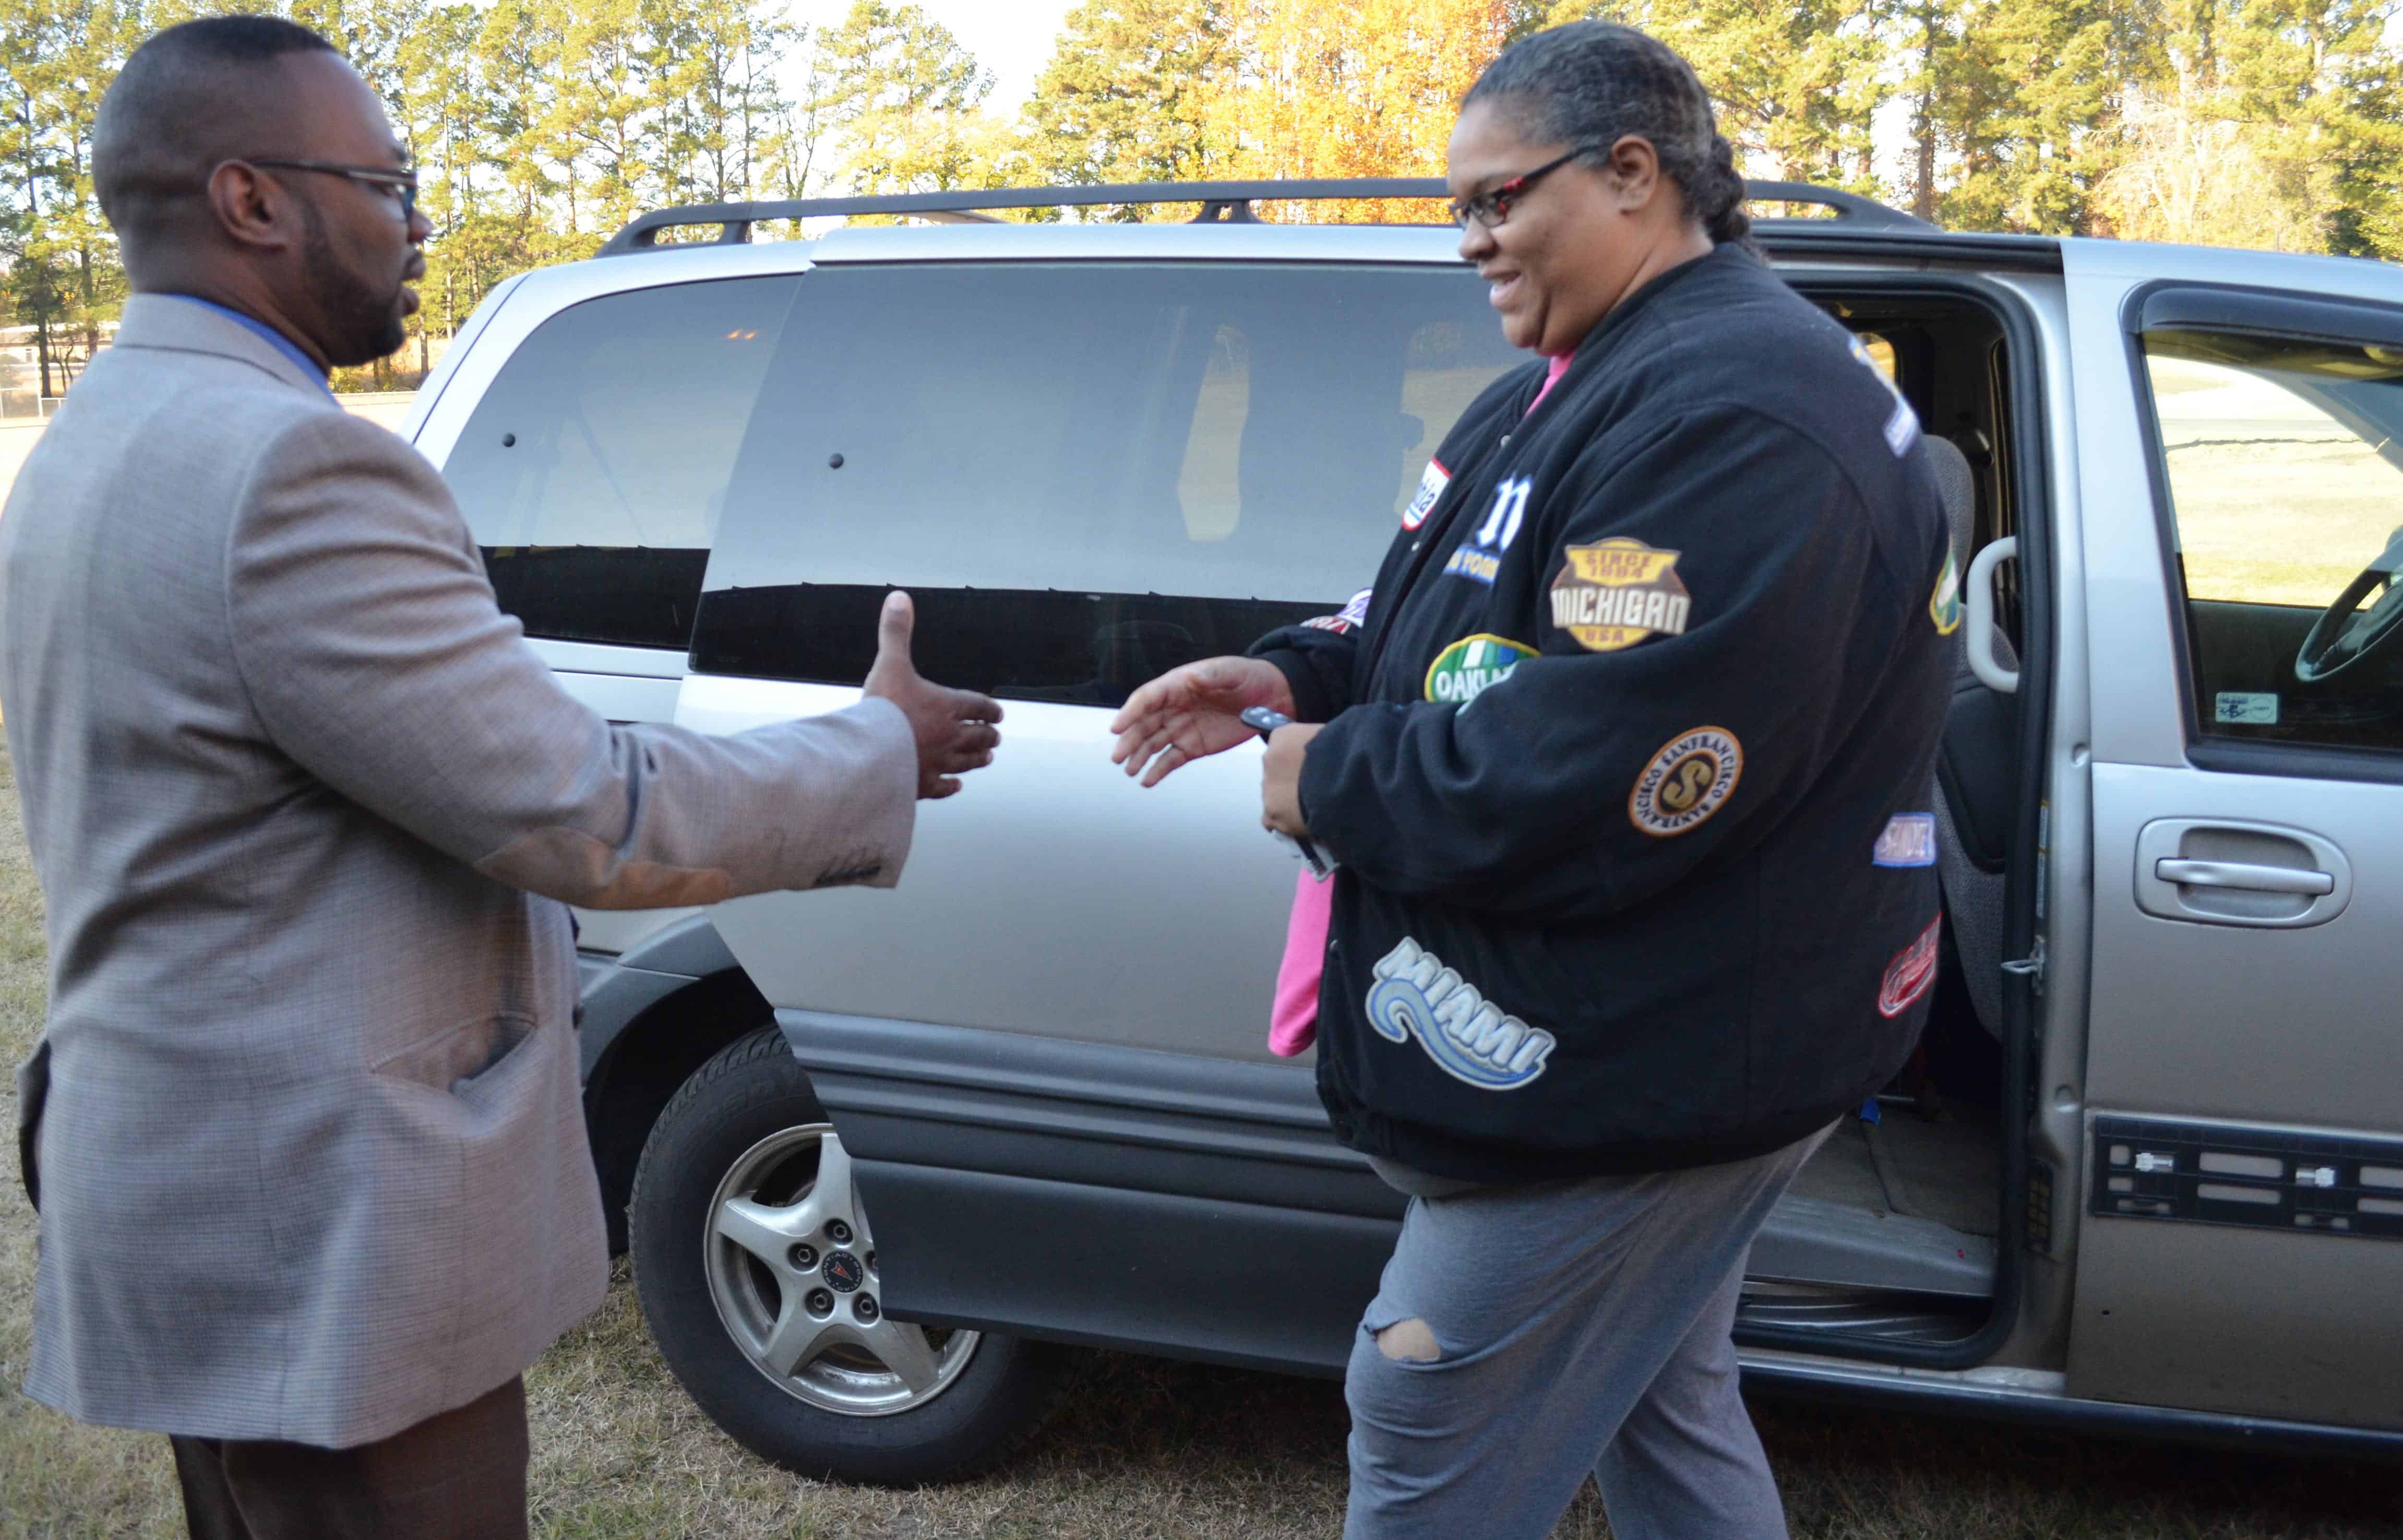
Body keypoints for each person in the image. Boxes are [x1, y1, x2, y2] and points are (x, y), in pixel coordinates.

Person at [1, 17, 1000, 1539]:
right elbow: (579, 812)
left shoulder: (103, 431)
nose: (417, 226)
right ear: (252, 200)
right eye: (390, 185)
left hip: (196, 1181)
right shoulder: (293, 471)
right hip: (322, 1239)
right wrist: (881, 745)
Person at [1111, 22, 1954, 1540]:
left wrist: (1327, 776)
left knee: (1424, 1405)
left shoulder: (1730, 411)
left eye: (1499, 201)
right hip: (1656, 1049)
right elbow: (1440, 614)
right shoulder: (1585, 374)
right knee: (1664, 1385)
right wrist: (1293, 673)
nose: (1474, 241)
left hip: (1634, 1066)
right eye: (1462, 211)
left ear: (1633, 174)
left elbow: (1608, 766)